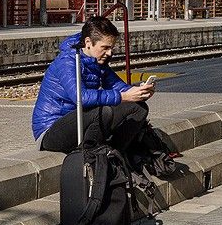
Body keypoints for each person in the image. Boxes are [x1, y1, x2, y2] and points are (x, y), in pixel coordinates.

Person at [33, 16, 155, 153]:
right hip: (51, 131)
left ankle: (115, 154)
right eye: (105, 48)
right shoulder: (67, 62)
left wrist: (140, 92)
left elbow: (119, 87)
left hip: (81, 120)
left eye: (112, 48)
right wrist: (124, 96)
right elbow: (82, 98)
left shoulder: (97, 62)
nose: (109, 53)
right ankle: (93, 156)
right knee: (102, 113)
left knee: (138, 108)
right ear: (88, 42)